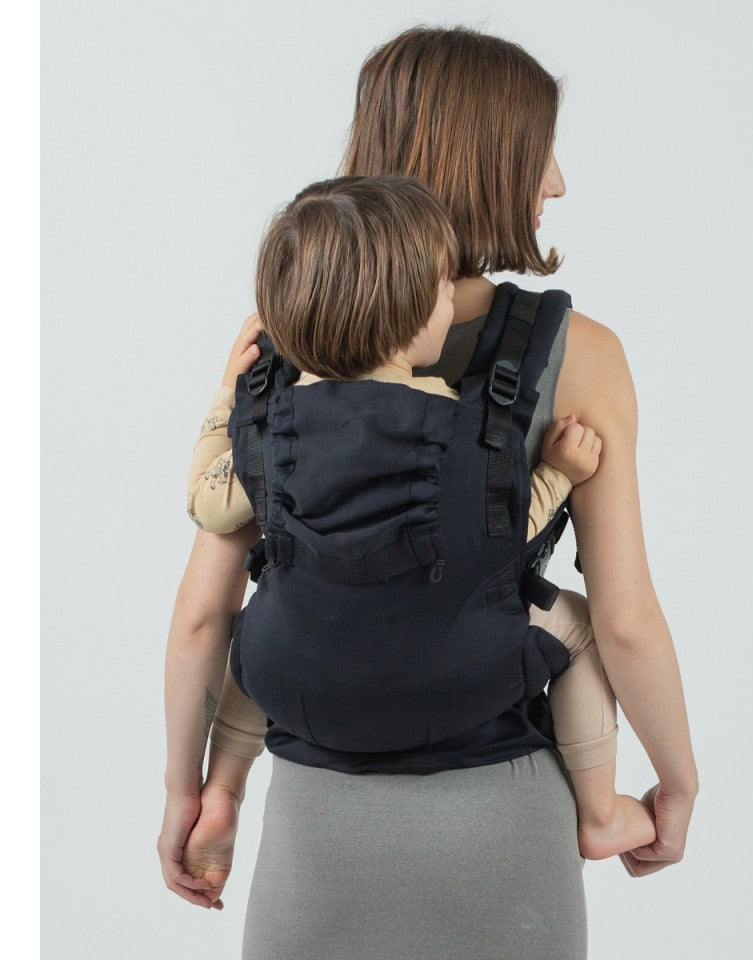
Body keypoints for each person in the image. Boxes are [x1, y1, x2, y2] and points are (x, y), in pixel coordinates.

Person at [158, 25, 698, 960]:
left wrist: (194, 790)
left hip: (318, 832)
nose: (557, 182)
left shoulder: (286, 332)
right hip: (506, 834)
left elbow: (208, 615)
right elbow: (623, 621)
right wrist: (678, 783)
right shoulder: (581, 356)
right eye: (539, 152)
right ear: (485, 159)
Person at [185, 172, 656, 863]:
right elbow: (502, 533)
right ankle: (602, 811)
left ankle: (225, 788)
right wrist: (561, 473)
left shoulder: (272, 427)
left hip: (302, 685)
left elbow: (205, 500)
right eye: (440, 289)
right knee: (582, 628)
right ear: (405, 315)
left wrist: (230, 392)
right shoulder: (453, 423)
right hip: (446, 683)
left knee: (265, 632)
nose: (452, 300)